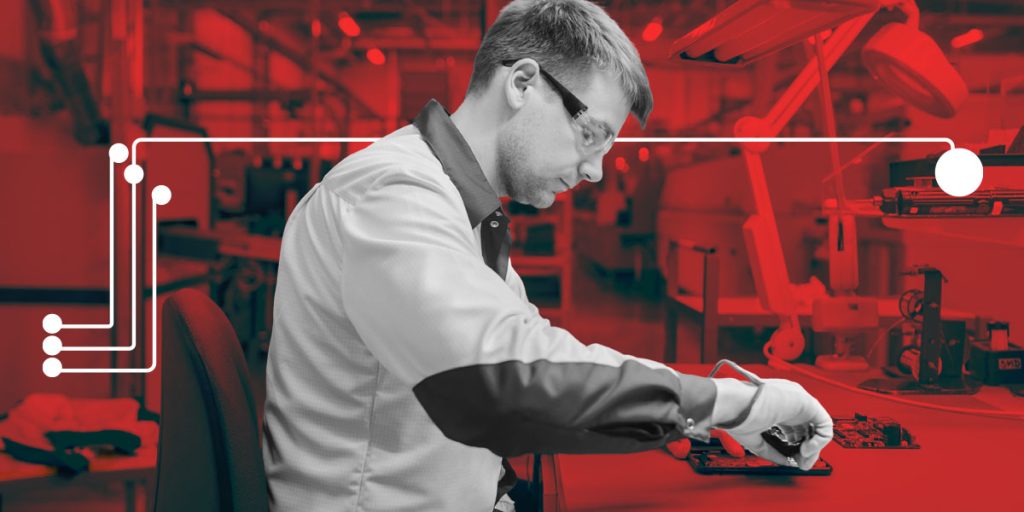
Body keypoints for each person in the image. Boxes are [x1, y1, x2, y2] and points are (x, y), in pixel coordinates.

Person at [262, 1, 833, 511]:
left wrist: (704, 410)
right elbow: (505, 381)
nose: (595, 170)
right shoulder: (392, 192)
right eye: (593, 135)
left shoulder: (460, 208)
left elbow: (541, 350)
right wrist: (737, 405)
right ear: (524, 83)